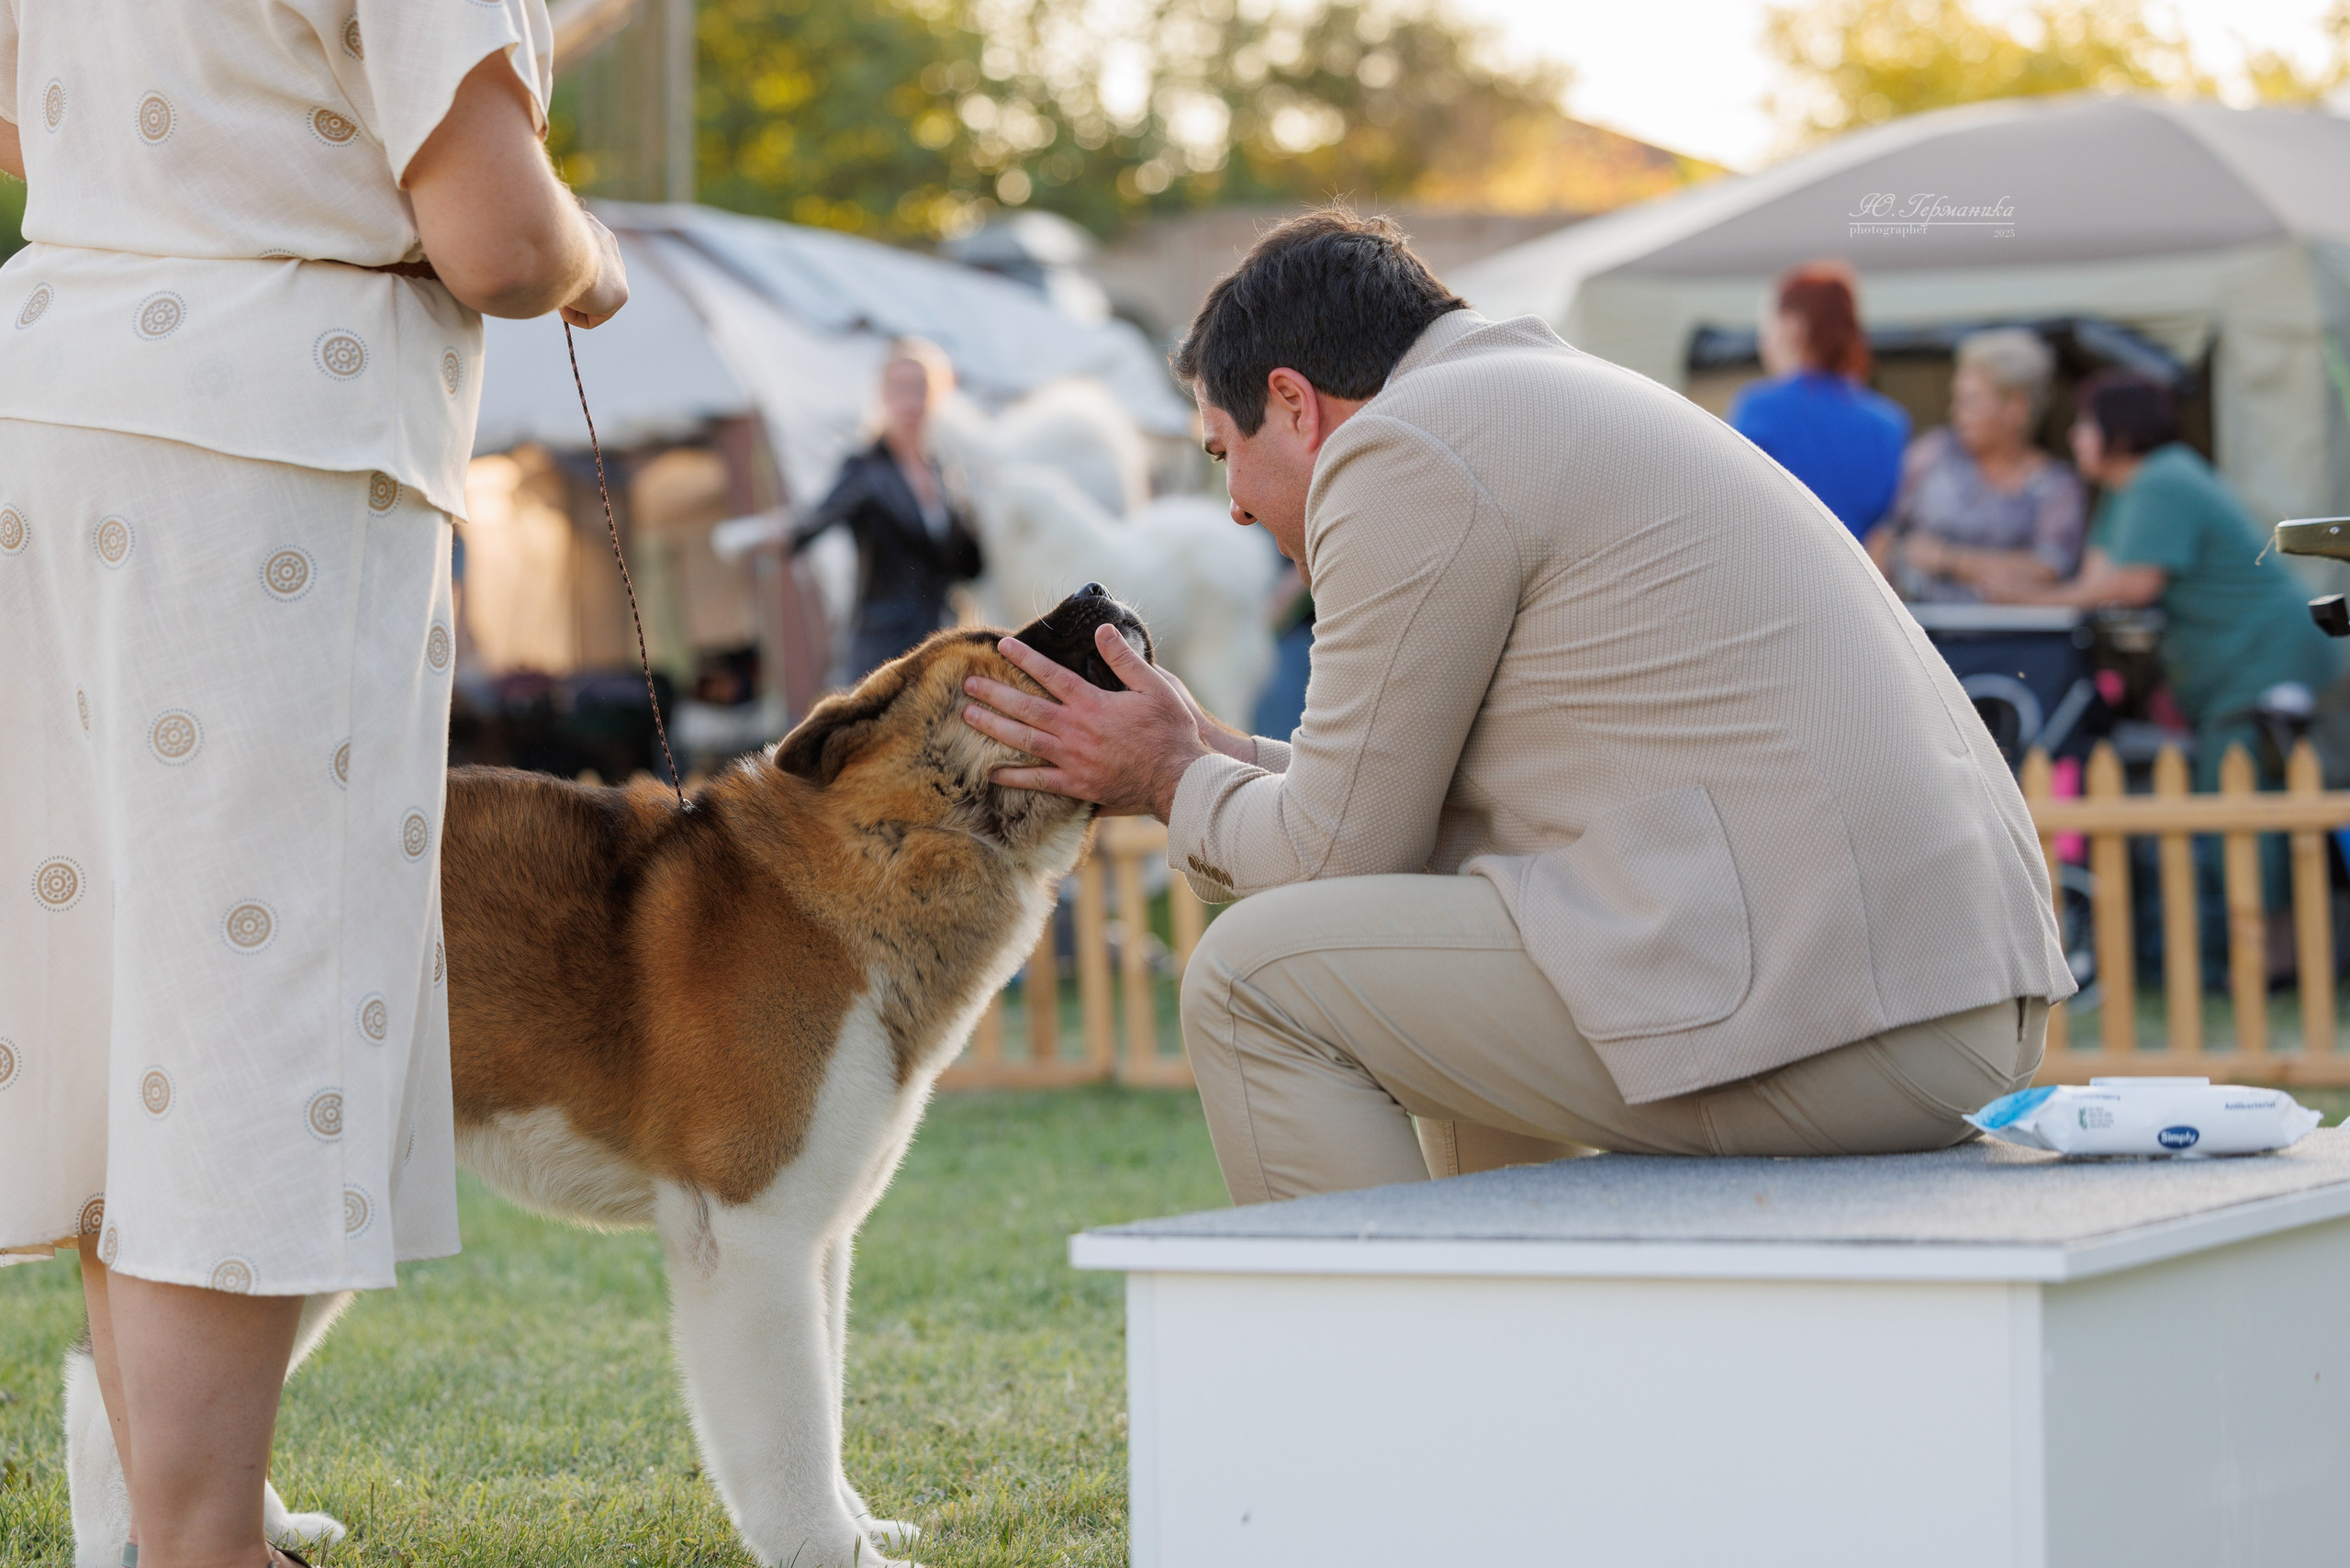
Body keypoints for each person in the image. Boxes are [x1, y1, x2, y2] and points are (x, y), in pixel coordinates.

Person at [960, 209, 2072, 1205]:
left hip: (1849, 1027)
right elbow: (1382, 820)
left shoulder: (1403, 447)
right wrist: (1205, 749)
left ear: (1293, 404)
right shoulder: (1514, 396)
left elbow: (1331, 854)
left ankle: (1424, 1422)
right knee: (1401, 936)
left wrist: (1166, 777)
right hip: (1938, 1005)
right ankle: (1513, 1367)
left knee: (1257, 981)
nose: (1237, 509)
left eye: (1224, 454)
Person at [0, 6, 626, 1566]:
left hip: (55, 421)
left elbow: (29, 122)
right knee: (235, 1028)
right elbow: (493, 236)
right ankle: (205, 1551)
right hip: (265, 454)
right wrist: (590, 255)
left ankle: (185, 1535)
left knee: (137, 1018)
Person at [792, 345, 985, 683]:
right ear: (882, 395)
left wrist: (973, 511)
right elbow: (812, 523)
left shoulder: (944, 472)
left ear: (935, 395)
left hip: (940, 644)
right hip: (882, 648)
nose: (910, 400)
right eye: (899, 388)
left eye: (919, 388)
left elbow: (970, 567)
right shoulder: (865, 469)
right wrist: (771, 532)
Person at [1869, 328, 2086, 602]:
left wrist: (1948, 559)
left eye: (1971, 401)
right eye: (1957, 400)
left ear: (2016, 408)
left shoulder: (2056, 485)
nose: (1957, 413)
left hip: (2010, 639)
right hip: (1919, 630)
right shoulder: (1933, 453)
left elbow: (2048, 568)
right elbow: (1886, 536)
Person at [1727, 263, 1908, 543]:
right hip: (1858, 582)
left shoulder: (1759, 409)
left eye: (1769, 324)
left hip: (1780, 575)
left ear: (1793, 326)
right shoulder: (1888, 422)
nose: (1764, 340)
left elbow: (1733, 509)